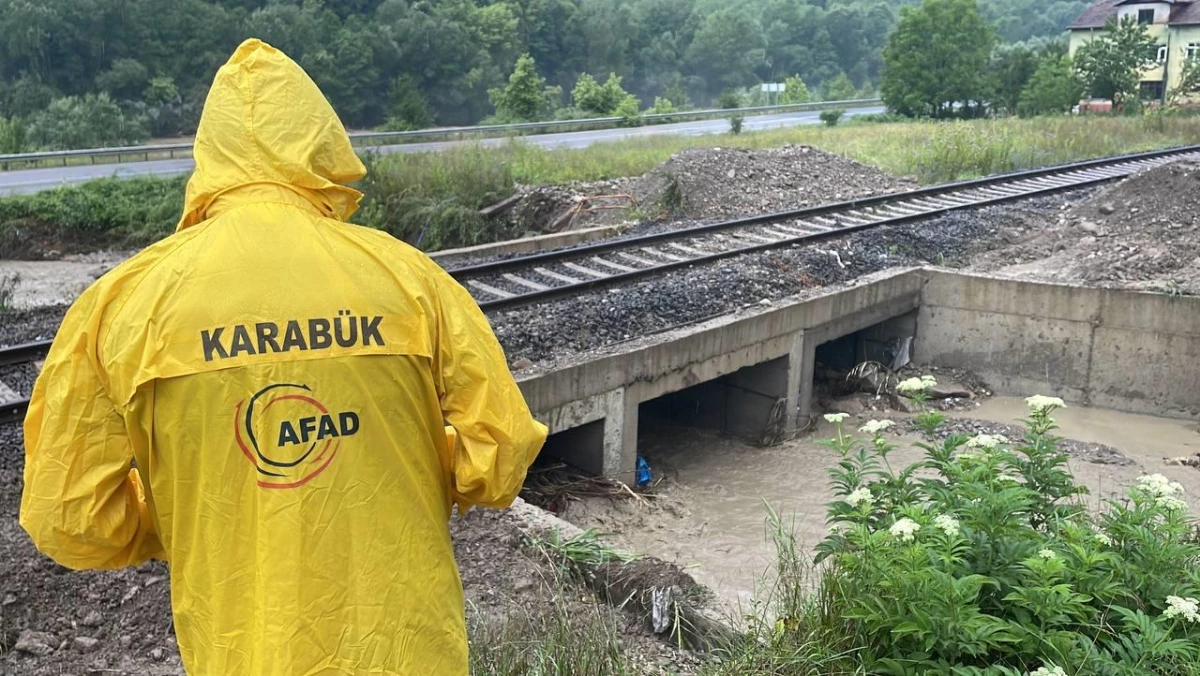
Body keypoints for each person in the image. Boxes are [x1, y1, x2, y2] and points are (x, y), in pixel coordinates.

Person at [20, 38, 547, 675]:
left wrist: (182, 503)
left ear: (209, 158)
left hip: (243, 650)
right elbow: (501, 452)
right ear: (320, 144)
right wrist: (403, 460)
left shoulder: (121, 304)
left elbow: (73, 519)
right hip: (408, 651)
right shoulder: (408, 277)